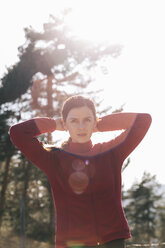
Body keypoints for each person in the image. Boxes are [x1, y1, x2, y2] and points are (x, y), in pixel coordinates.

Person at [9, 95, 152, 248]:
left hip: (113, 240)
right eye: (74, 121)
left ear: (95, 121)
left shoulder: (111, 152)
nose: (81, 127)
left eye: (87, 120)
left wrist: (101, 125)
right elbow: (17, 133)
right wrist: (53, 124)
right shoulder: (53, 159)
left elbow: (143, 121)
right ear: (65, 124)